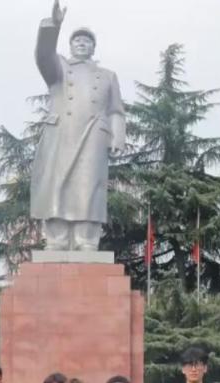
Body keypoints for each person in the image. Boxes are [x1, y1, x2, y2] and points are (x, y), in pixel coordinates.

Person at [31, 0, 126, 251]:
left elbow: (116, 110)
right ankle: (57, 239)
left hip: (94, 134)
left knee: (89, 187)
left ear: (94, 47)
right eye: (77, 40)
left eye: (87, 41)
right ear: (70, 45)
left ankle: (87, 239)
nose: (82, 43)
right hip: (62, 132)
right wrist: (53, 26)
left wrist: (118, 136)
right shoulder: (59, 68)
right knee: (57, 185)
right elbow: (43, 55)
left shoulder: (107, 76)